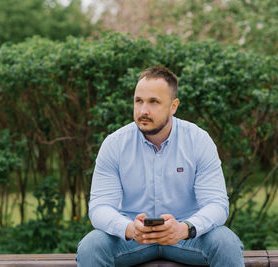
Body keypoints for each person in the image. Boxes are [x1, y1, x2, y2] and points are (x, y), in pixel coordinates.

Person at [76, 66, 244, 266]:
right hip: (132, 239)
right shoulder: (115, 144)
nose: (143, 111)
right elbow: (100, 207)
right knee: (91, 245)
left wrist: (185, 228)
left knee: (225, 241)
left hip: (186, 237)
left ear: (173, 106)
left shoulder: (198, 140)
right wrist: (129, 228)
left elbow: (217, 204)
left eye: (153, 102)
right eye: (139, 101)